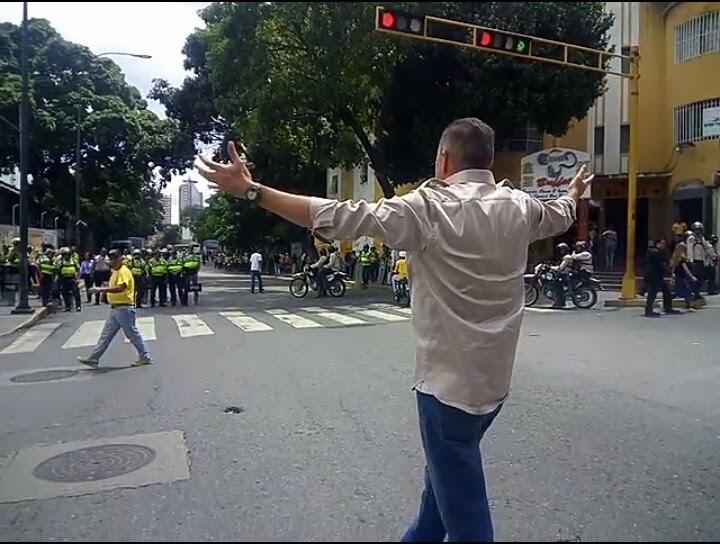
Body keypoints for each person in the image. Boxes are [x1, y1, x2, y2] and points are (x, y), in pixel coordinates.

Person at [198, 118, 593, 542]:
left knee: (465, 517)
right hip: (494, 388)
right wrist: (573, 190)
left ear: (443, 159)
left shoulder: (427, 208)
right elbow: (560, 214)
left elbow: (337, 216)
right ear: (489, 161)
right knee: (440, 497)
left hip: (445, 394)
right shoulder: (519, 206)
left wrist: (252, 191)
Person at [77, 249, 152, 369]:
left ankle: (145, 356)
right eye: (110, 258)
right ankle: (94, 358)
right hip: (116, 308)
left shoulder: (123, 271)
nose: (111, 261)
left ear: (120, 259)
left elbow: (120, 288)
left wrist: (101, 290)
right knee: (106, 335)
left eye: (114, 259)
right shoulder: (115, 271)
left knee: (132, 334)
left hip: (124, 308)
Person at [643, 238, 680, 317]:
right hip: (653, 276)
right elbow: (660, 265)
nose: (664, 245)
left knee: (666, 291)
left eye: (664, 244)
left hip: (656, 276)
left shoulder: (659, 253)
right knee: (652, 294)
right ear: (657, 244)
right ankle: (649, 311)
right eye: (662, 243)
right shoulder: (655, 253)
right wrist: (669, 271)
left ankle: (667, 308)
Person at [686, 222, 709, 300]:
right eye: (696, 229)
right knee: (694, 278)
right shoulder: (691, 238)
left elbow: (707, 247)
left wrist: (712, 256)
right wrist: (691, 261)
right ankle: (692, 294)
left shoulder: (702, 238)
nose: (698, 231)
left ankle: (697, 293)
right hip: (694, 261)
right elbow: (689, 250)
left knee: (701, 278)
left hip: (701, 261)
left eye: (699, 229)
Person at [672, 242, 696, 311]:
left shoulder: (675, 257)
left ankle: (667, 303)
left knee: (680, 292)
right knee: (687, 291)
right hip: (682, 277)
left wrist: (672, 275)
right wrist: (691, 276)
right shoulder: (682, 258)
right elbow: (685, 268)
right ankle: (689, 306)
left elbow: (673, 267)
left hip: (678, 276)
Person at [58, 247, 81, 312]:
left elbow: (78, 270)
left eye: (67, 254)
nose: (66, 256)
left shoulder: (73, 261)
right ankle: (67, 306)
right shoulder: (61, 262)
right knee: (65, 293)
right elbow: (57, 270)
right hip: (64, 279)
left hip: (72, 278)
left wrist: (78, 279)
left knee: (76, 292)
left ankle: (78, 306)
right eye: (65, 255)